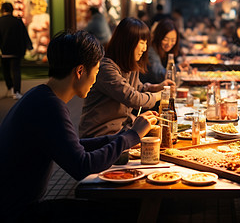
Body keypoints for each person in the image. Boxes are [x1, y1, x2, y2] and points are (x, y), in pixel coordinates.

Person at [0, 30, 156, 222]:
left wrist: (121, 137)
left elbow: (73, 145)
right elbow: (82, 165)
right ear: (80, 71)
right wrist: (131, 136)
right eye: (96, 72)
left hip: (12, 207)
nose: (95, 80)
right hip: (17, 213)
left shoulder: (40, 96)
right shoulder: (50, 107)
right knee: (121, 212)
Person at [79, 17, 172, 138]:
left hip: (120, 131)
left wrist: (158, 86)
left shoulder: (129, 65)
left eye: (146, 43)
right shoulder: (106, 68)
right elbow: (133, 98)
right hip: (99, 136)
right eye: (142, 43)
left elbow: (138, 88)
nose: (145, 49)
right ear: (128, 42)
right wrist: (161, 94)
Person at [140, 18, 187, 85]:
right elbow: (160, 75)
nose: (169, 43)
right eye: (166, 39)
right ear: (159, 36)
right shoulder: (150, 51)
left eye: (173, 40)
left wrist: (179, 67)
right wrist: (178, 68)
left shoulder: (163, 50)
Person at [0, 2, 33, 99]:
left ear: (2, 10)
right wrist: (29, 47)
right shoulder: (18, 21)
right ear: (12, 10)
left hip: (4, 51)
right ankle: (16, 92)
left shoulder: (0, 21)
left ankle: (10, 88)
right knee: (16, 70)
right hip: (16, 51)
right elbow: (24, 35)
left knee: (5, 70)